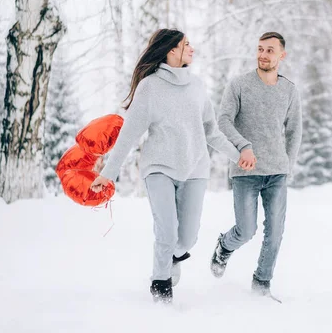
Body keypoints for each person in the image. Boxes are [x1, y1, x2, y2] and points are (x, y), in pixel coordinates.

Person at [90, 29, 253, 304]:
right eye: (185, 44)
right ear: (171, 51)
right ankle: (160, 287)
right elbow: (129, 133)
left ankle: (175, 256)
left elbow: (211, 131)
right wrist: (109, 173)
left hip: (195, 169)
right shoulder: (150, 87)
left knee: (186, 239)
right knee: (166, 230)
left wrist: (237, 155)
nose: (191, 48)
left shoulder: (197, 86)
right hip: (159, 167)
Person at [210, 32, 302, 297]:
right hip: (246, 171)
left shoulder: (289, 90)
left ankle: (261, 285)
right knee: (246, 229)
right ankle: (224, 247)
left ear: (281, 56)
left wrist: (288, 164)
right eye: (260, 49)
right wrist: (243, 146)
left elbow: (294, 130)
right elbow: (223, 121)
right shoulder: (239, 85)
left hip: (277, 173)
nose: (263, 54)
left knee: (275, 232)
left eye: (270, 50)